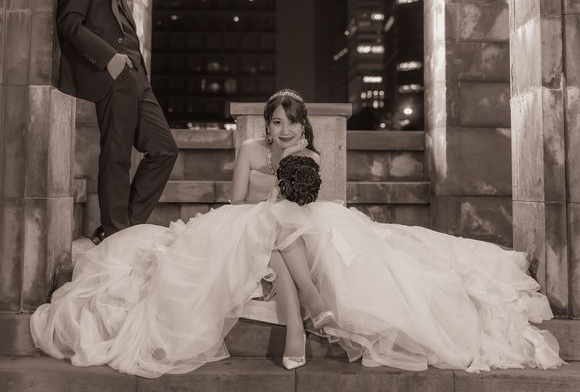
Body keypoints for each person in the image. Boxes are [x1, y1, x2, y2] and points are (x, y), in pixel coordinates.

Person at [30, 89, 563, 377]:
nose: (282, 129)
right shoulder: (248, 150)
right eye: (275, 122)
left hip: (296, 222)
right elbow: (240, 200)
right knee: (268, 225)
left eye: (290, 122)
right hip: (251, 219)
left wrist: (292, 166)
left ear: (302, 125)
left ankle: (297, 328)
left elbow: (302, 202)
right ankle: (309, 307)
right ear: (266, 124)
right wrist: (266, 200)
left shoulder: (307, 155)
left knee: (283, 229)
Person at [56, 0, 178, 244]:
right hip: (114, 71)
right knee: (117, 155)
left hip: (136, 76)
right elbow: (69, 22)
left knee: (164, 149)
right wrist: (110, 59)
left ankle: (122, 227)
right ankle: (115, 233)